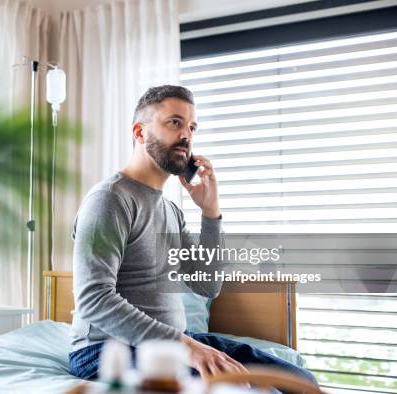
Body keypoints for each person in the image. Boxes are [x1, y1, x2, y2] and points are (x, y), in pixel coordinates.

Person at [68, 85, 317, 385]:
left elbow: (207, 285)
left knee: (299, 382)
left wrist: (211, 215)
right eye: (174, 122)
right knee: (241, 389)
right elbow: (92, 298)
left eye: (192, 127)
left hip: (175, 343)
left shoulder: (171, 211)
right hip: (106, 350)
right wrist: (187, 348)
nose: (186, 135)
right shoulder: (109, 199)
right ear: (139, 132)